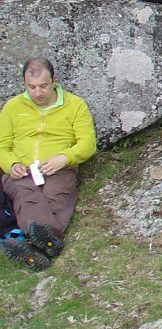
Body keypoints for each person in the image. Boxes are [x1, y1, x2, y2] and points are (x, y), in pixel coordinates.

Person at [0, 58, 96, 271]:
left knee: (56, 195)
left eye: (43, 86)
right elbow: (2, 145)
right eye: (31, 87)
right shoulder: (12, 107)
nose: (38, 92)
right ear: (24, 84)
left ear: (54, 80)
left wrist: (64, 158)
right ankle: (49, 242)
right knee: (26, 196)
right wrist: (11, 163)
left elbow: (88, 143)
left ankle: (32, 247)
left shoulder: (74, 105)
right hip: (22, 171)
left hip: (59, 168)